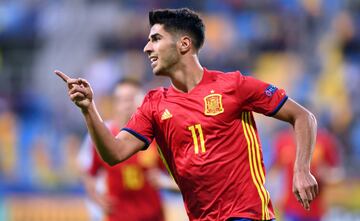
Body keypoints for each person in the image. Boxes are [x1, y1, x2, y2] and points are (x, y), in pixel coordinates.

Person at [55, 8, 318, 221]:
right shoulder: (154, 105)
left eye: (156, 39)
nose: (147, 48)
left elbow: (304, 117)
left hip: (246, 215)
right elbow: (113, 153)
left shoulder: (234, 86)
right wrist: (89, 109)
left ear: (184, 44)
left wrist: (301, 169)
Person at [78, 79, 165, 221]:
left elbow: (174, 173)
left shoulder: (156, 137)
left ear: (141, 101)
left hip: (153, 216)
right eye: (120, 100)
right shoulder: (103, 138)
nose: (125, 105)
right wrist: (96, 198)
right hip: (118, 216)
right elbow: (88, 172)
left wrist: (165, 182)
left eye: (130, 99)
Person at [270, 128, 343, 221]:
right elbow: (274, 171)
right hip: (290, 209)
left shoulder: (324, 141)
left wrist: (325, 174)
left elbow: (337, 174)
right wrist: (275, 194)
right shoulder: (282, 141)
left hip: (316, 210)